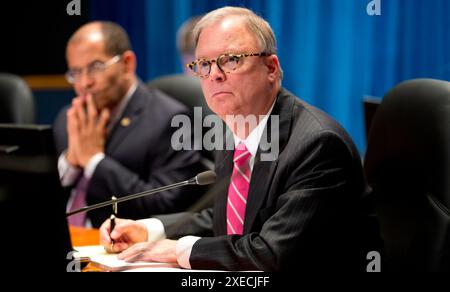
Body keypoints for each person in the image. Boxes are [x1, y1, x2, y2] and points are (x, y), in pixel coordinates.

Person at [99, 7, 373, 271]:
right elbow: (232, 222)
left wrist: (178, 250)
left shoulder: (317, 145)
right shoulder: (235, 131)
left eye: (231, 60)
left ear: (271, 68)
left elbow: (273, 253)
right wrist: (150, 229)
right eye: (203, 64)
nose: (215, 74)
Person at [53, 21, 206, 228]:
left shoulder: (172, 119)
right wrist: (70, 162)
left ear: (127, 63)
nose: (84, 83)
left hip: (120, 246)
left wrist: (94, 161)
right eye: (75, 73)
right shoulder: (67, 118)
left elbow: (166, 206)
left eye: (95, 67)